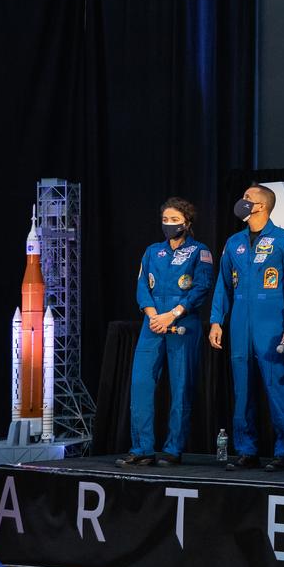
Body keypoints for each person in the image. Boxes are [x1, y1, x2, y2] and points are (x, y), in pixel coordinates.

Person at [209, 184, 284, 472]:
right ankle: (246, 450)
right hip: (240, 322)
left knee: (277, 388)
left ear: (262, 206)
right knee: (243, 390)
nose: (242, 201)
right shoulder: (234, 242)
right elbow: (223, 285)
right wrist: (217, 320)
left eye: (248, 198)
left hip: (271, 324)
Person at [118, 197, 215, 467]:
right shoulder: (152, 251)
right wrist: (153, 316)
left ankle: (173, 448)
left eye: (175, 220)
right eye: (165, 220)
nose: (169, 225)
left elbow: (201, 288)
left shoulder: (200, 251)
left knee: (181, 387)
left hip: (183, 324)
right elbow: (141, 287)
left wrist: (173, 314)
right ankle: (142, 448)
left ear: (187, 222)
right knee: (141, 384)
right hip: (152, 324)